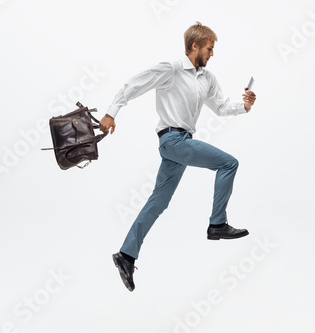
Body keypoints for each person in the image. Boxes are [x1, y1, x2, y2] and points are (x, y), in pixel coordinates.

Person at [100, 22, 256, 292]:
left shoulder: (207, 78)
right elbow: (134, 84)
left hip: (181, 145)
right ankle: (217, 224)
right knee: (228, 163)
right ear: (194, 46)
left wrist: (244, 105)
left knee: (158, 202)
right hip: (172, 140)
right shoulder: (171, 69)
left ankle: (126, 255)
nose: (212, 53)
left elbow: (220, 106)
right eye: (209, 48)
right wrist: (111, 112)